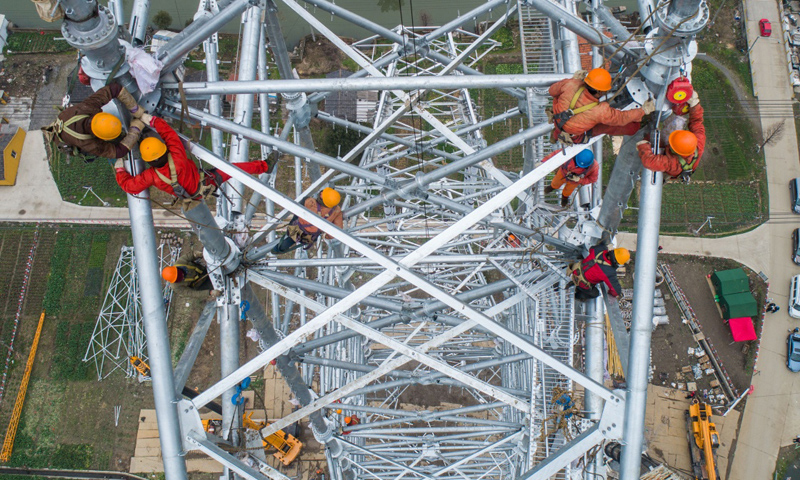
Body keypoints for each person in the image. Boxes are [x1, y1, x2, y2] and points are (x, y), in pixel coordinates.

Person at [114, 114, 271, 199]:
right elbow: (169, 135)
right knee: (234, 169)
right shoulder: (177, 156)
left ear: (148, 161)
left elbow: (130, 187)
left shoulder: (151, 176)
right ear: (164, 150)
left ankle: (265, 166)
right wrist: (152, 120)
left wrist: (120, 170)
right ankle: (264, 166)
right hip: (206, 181)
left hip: (192, 196)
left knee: (232, 170)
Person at [549, 68, 655, 144]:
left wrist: (574, 80)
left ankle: (556, 135)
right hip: (574, 131)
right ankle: (559, 136)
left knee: (561, 100)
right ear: (600, 91)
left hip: (558, 117)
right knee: (631, 128)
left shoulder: (571, 84)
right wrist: (643, 110)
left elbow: (552, 90)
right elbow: (622, 118)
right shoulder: (601, 111)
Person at [42, 82, 145, 160]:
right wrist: (135, 130)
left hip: (66, 118)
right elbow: (118, 152)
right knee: (113, 145)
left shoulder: (88, 108)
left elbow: (114, 89)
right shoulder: (89, 143)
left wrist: (135, 109)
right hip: (64, 139)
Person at [636, 91, 706, 182]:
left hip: (672, 171)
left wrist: (643, 146)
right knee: (676, 122)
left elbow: (649, 161)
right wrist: (695, 104)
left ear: (673, 149)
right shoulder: (697, 142)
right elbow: (697, 122)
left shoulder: (673, 164)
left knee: (652, 140)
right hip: (679, 159)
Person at [271, 188, 344, 254]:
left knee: (290, 238)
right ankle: (278, 249)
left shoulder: (310, 202)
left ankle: (277, 250)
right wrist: (326, 236)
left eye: (322, 194)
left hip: (298, 229)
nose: (321, 193)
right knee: (292, 239)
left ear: (322, 198)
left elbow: (297, 209)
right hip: (310, 237)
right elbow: (337, 229)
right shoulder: (336, 211)